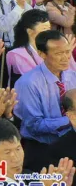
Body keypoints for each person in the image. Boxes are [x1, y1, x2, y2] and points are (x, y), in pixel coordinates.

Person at [14, 29, 76, 171]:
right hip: (42, 150)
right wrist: (70, 120)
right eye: (59, 53)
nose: (66, 57)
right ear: (42, 54)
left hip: (70, 145)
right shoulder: (28, 83)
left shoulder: (73, 76)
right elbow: (34, 125)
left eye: (67, 51)